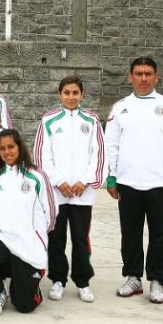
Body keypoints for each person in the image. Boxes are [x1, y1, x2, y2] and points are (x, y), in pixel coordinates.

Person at [33, 75, 107, 303]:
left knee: (80, 238)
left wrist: (85, 181)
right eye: (67, 93)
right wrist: (58, 181)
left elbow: (99, 155)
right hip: (57, 193)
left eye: (76, 93)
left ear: (82, 95)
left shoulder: (92, 121)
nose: (71, 97)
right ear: (60, 94)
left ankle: (83, 282)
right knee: (56, 238)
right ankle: (57, 280)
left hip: (82, 194)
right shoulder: (49, 120)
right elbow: (41, 155)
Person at [0, 129, 57, 317]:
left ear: (19, 146)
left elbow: (51, 212)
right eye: (2, 148)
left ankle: (31, 283)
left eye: (11, 146)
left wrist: (38, 235)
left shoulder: (36, 175)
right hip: (3, 238)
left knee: (24, 306)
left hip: (28, 243)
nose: (7, 152)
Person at [105, 57, 163, 303]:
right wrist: (111, 176)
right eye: (138, 73)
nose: (143, 78)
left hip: (160, 183)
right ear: (129, 77)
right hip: (128, 182)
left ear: (156, 77)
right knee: (130, 234)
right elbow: (112, 143)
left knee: (160, 235)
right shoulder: (120, 108)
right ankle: (133, 278)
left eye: (148, 73)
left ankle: (158, 281)